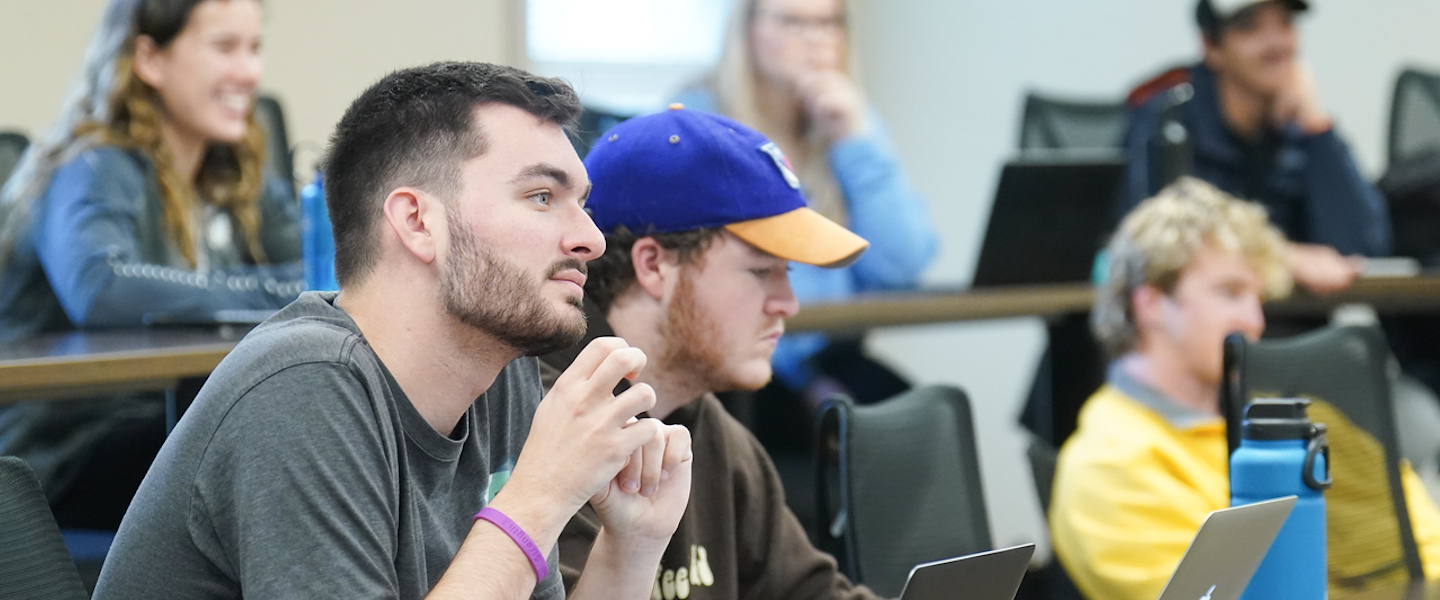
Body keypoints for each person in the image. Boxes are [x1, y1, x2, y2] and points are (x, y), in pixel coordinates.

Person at [95, 62, 693, 599]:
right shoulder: (305, 389)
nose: (590, 237)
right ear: (416, 222)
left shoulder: (500, 375)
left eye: (582, 202)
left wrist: (631, 549)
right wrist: (539, 497)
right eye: (542, 196)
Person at [1049, 177, 1440, 600]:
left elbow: (1427, 550)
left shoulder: (1300, 424)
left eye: (1258, 299)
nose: (1254, 321)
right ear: (1152, 305)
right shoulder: (1110, 467)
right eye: (1229, 292)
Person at [551, 106, 882, 599]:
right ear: (653, 265)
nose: (788, 303)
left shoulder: (709, 430)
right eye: (760, 270)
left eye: (787, 274)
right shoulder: (546, 423)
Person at [0, 0, 302, 530]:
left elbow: (326, 271)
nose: (249, 71)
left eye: (254, 49)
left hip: (172, 420)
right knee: (277, 441)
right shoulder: (89, 164)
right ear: (149, 58)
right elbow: (101, 286)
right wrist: (267, 289)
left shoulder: (232, 170)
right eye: (224, 48)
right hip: (65, 457)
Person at [674, 0, 936, 409]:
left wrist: (855, 136)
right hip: (736, 368)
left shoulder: (848, 125)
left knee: (927, 418)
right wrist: (806, 379)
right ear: (747, 30)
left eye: (829, 24)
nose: (815, 40)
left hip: (830, 358)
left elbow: (901, 266)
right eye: (793, 22)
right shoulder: (696, 124)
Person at [1120, 0, 1389, 295]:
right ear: (1211, 47)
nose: (1276, 44)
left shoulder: (1299, 133)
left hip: (1293, 324)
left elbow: (1363, 250)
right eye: (1250, 28)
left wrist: (1317, 129)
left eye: (1285, 24)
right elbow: (1153, 250)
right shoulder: (1167, 123)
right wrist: (1277, 256)